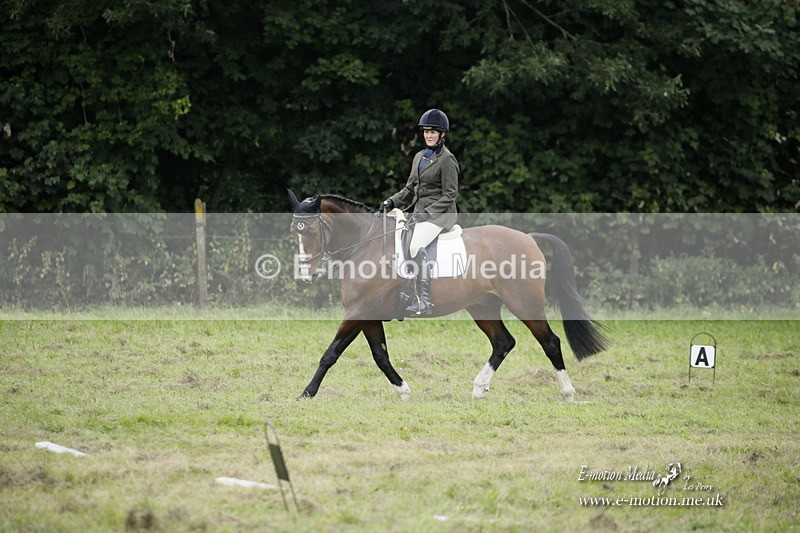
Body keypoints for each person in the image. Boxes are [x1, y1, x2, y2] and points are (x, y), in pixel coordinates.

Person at [379, 108, 459, 315]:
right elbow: (409, 189)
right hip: (418, 211)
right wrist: (391, 201)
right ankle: (403, 293)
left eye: (433, 132)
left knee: (415, 245)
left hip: (440, 214)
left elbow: (450, 195)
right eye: (426, 131)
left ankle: (424, 300)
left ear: (442, 134)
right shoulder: (419, 157)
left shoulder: (447, 160)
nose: (428, 135)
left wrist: (427, 213)